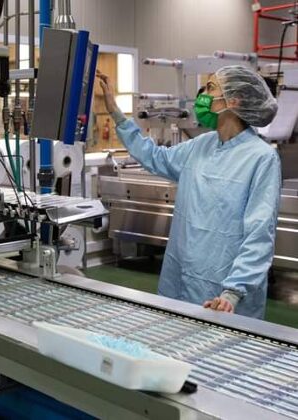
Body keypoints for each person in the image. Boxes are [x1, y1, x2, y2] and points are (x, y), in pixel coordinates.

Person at [97, 65, 281, 319]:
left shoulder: (261, 158)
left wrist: (233, 292)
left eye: (211, 88)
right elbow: (155, 157)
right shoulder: (202, 145)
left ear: (234, 100)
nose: (202, 95)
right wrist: (116, 113)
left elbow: (259, 234)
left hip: (224, 292)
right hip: (180, 277)